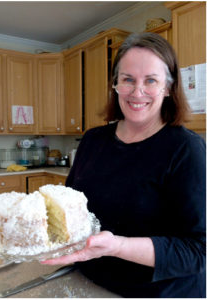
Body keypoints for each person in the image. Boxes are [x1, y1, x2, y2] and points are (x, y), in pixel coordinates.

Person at [41, 32, 206, 298]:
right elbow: (72, 212)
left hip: (158, 293)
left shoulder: (187, 150)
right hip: (87, 283)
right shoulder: (93, 140)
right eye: (128, 79)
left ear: (168, 88)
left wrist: (117, 246)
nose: (137, 91)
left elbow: (198, 251)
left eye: (150, 80)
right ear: (115, 84)